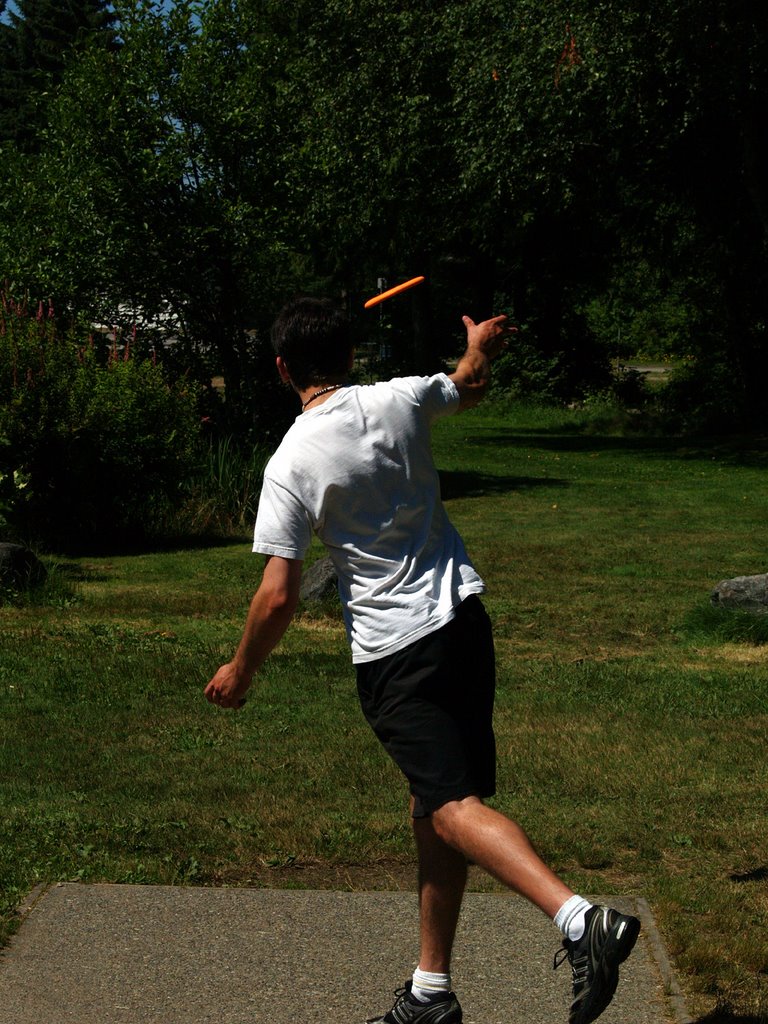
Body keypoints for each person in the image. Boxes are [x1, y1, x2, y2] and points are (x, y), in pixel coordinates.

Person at [204, 296, 640, 1024]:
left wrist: (241, 671)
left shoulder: (291, 460)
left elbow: (278, 596)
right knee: (431, 805)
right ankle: (430, 993)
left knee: (449, 805)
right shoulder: (399, 399)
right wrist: (478, 346)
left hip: (397, 649)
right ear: (349, 358)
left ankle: (579, 920)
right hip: (464, 622)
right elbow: (467, 384)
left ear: (283, 368)